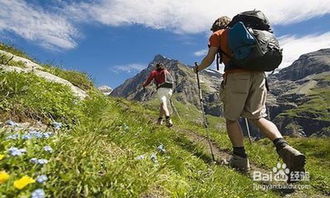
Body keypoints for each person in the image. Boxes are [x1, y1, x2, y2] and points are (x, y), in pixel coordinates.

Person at [194, 16, 306, 175]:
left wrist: (198, 69)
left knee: (232, 119)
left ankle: (240, 160)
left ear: (215, 27)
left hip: (236, 76)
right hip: (260, 76)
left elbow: (210, 58)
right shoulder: (252, 31)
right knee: (258, 117)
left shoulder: (218, 34)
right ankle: (285, 148)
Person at [142, 63, 174, 127]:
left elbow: (149, 80)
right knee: (162, 104)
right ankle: (159, 121)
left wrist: (144, 85)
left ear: (156, 67)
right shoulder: (166, 71)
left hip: (161, 89)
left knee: (164, 104)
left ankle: (168, 119)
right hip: (169, 90)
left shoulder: (154, 72)